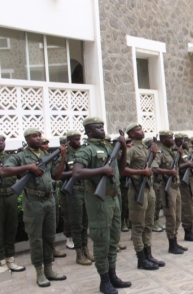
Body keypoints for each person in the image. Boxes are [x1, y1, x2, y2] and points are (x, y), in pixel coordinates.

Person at [72, 117, 131, 294]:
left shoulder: (107, 147)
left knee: (113, 239)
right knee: (101, 241)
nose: (102, 129)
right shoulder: (87, 150)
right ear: (89, 131)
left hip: (113, 198)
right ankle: (104, 280)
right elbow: (77, 172)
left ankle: (112, 275)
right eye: (98, 127)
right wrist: (101, 170)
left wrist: (122, 148)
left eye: (103, 126)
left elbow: (121, 169)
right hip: (98, 200)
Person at [2, 128, 67, 287]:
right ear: (27, 139)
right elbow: (4, 171)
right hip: (33, 201)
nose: (38, 138)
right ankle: (39, 272)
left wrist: (63, 156)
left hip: (50, 200)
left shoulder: (46, 155)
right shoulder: (21, 156)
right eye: (34, 136)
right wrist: (28, 167)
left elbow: (56, 176)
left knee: (49, 236)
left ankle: (49, 269)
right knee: (36, 238)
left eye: (39, 136)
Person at [123, 123, 165, 270]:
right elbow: (122, 170)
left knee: (148, 223)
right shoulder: (131, 150)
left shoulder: (143, 148)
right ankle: (141, 259)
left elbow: (149, 166)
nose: (142, 131)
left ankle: (148, 255)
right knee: (138, 226)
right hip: (137, 190)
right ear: (132, 134)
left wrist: (152, 154)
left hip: (148, 188)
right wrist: (141, 173)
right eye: (138, 130)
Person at [0, 133, 25, 272]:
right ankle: (0, 259)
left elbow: (18, 174)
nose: (0, 143)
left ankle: (10, 258)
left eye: (2, 140)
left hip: (10, 195)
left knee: (11, 227)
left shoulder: (10, 157)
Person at [59, 130, 94, 266]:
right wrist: (73, 173)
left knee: (85, 223)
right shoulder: (64, 154)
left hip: (85, 190)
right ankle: (79, 253)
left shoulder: (84, 151)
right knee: (77, 223)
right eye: (75, 139)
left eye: (79, 139)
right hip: (73, 191)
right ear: (68, 140)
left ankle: (86, 249)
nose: (78, 141)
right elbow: (58, 174)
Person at [152, 130, 187, 254]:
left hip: (175, 186)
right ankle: (171, 244)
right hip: (167, 188)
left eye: (172, 137)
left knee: (177, 216)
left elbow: (175, 167)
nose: (172, 140)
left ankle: (175, 241)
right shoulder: (160, 152)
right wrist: (168, 172)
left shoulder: (172, 152)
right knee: (171, 216)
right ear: (162, 140)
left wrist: (179, 156)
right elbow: (154, 169)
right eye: (169, 138)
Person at [40, 137, 68, 259]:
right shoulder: (34, 157)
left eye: (47, 143)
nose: (46, 145)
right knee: (40, 226)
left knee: (53, 223)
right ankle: (42, 251)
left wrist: (62, 157)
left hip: (51, 193)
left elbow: (56, 174)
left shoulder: (49, 156)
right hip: (38, 196)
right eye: (43, 143)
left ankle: (51, 248)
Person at [146, 137, 164, 233]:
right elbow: (154, 169)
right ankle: (152, 222)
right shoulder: (148, 156)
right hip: (152, 183)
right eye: (151, 145)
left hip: (158, 182)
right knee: (152, 205)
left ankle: (156, 221)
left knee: (158, 203)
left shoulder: (156, 154)